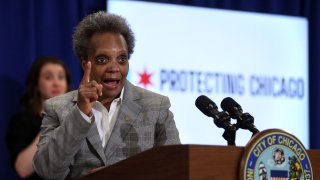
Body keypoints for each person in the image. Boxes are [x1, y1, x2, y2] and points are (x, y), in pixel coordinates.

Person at [32, 11, 180, 179]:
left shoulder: (156, 106)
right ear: (85, 64)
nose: (114, 68)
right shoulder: (58, 108)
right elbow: (48, 171)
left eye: (122, 59)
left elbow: (176, 169)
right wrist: (80, 113)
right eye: (103, 59)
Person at [6, 56, 73, 179]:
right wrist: (52, 122)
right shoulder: (22, 121)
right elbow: (22, 169)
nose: (56, 83)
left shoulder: (77, 119)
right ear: (36, 83)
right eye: (48, 77)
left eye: (61, 77)